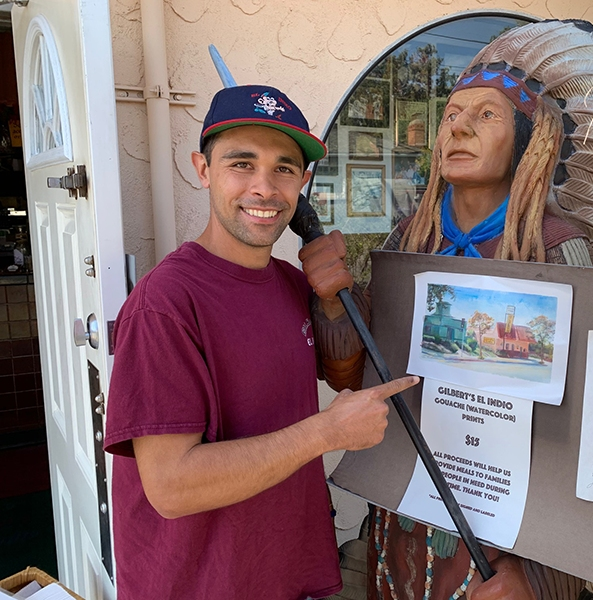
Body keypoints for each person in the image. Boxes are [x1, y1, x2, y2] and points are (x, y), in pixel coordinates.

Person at [302, 19, 593, 600]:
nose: (459, 127)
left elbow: (588, 422)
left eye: (486, 115)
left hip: (506, 535)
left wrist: (542, 573)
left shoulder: (555, 249)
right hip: (408, 514)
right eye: (451, 115)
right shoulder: (409, 241)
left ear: (529, 141)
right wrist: (333, 306)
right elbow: (357, 375)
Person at [103, 84, 419, 600]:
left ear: (303, 183)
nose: (264, 188)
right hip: (199, 586)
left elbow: (340, 371)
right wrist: (326, 432)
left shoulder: (292, 286)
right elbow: (172, 486)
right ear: (203, 170)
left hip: (281, 571)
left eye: (284, 168)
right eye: (241, 164)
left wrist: (333, 303)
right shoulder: (165, 304)